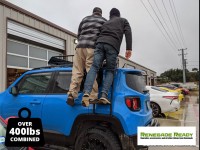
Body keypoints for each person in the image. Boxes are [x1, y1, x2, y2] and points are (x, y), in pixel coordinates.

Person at [82, 8, 132, 107]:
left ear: (110, 15)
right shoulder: (123, 20)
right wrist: (128, 48)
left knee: (94, 67)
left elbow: (98, 33)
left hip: (100, 44)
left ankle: (87, 92)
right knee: (110, 70)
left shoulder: (106, 23)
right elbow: (128, 32)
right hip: (112, 46)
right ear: (119, 14)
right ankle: (104, 94)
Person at [66, 7, 107, 106]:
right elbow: (104, 37)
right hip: (92, 47)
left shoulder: (84, 19)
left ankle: (71, 94)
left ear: (93, 13)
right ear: (100, 14)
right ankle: (91, 96)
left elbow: (79, 34)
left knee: (77, 71)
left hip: (80, 47)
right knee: (91, 71)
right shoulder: (104, 21)